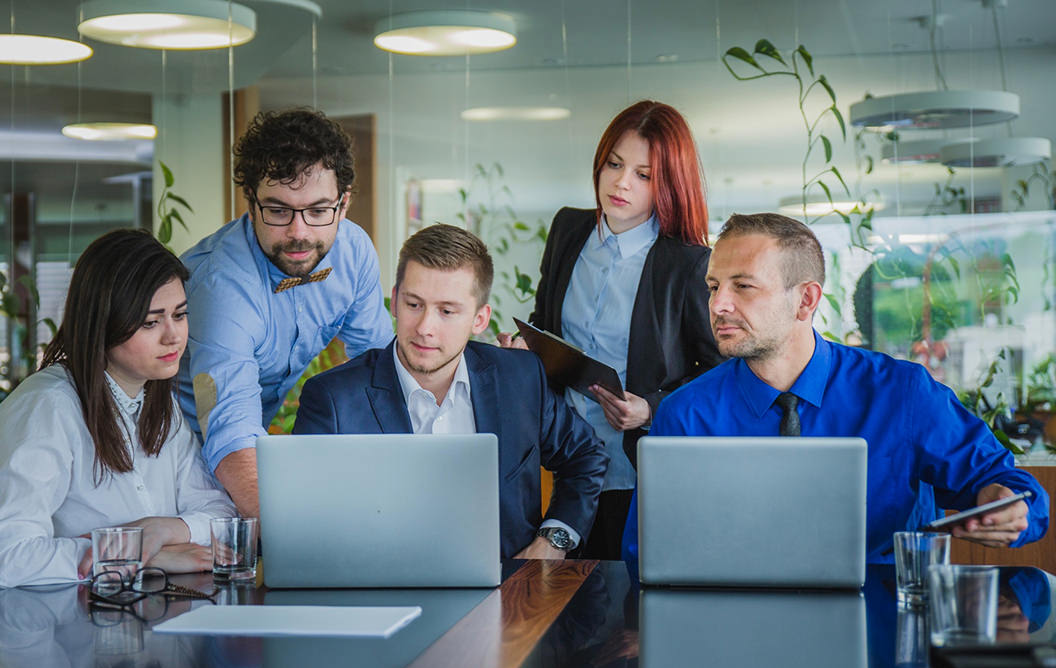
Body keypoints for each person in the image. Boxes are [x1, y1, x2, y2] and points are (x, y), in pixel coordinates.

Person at [621, 212, 1050, 564]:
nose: (718, 305)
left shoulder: (901, 393)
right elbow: (647, 554)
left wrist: (1012, 506)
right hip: (734, 633)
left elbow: (1010, 486)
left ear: (806, 300)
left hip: (881, 634)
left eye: (743, 286)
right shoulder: (685, 413)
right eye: (714, 287)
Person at [0, 229, 235, 609]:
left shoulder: (159, 405)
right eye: (151, 322)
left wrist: (167, 530)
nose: (174, 337)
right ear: (103, 321)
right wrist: (134, 555)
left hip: (94, 621)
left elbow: (219, 515)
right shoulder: (46, 407)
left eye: (180, 315)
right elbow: (3, 559)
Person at [295, 224, 607, 559]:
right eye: (414, 304)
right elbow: (304, 519)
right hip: (382, 599)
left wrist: (552, 542)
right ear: (395, 300)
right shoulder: (331, 399)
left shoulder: (521, 377)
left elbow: (585, 457)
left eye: (447, 311)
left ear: (479, 319)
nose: (425, 328)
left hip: (509, 598)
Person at [500, 100, 723, 559]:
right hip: (556, 460)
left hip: (633, 470)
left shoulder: (687, 264)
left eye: (644, 175)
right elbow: (547, 320)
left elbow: (720, 370)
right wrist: (527, 345)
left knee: (621, 610)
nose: (621, 183)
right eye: (615, 164)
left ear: (668, 184)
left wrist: (652, 409)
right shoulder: (568, 229)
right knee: (548, 598)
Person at [176, 108, 393, 518]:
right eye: (278, 211)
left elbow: (378, 369)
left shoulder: (354, 253)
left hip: (255, 452)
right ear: (251, 203)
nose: (299, 233)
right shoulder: (221, 288)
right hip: (179, 458)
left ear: (343, 205)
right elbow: (231, 431)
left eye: (317, 210)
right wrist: (297, 541)